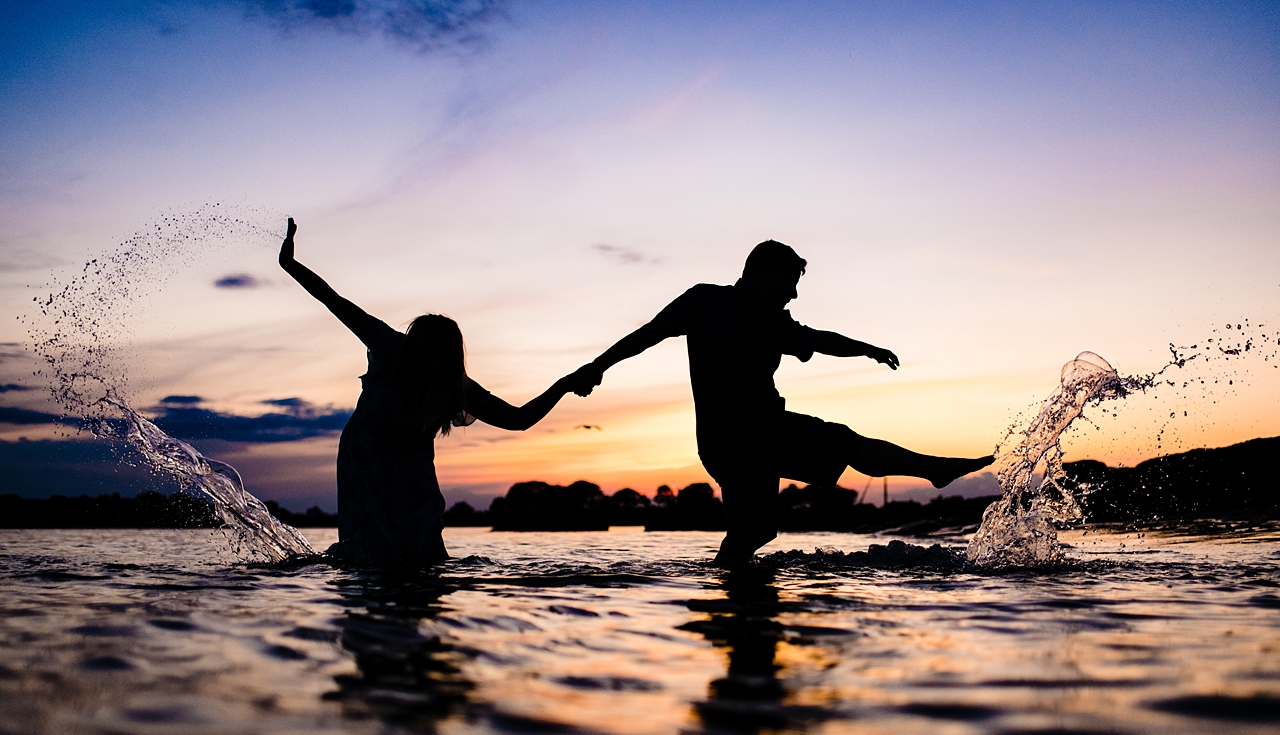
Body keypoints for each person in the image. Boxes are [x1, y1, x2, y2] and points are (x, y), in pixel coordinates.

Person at [572, 239, 993, 565]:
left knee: (845, 443)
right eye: (788, 284)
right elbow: (648, 333)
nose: (792, 295)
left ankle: (933, 469)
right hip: (729, 441)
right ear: (762, 275)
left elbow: (820, 340)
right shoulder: (705, 302)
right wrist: (597, 366)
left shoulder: (778, 323)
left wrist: (869, 349)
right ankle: (734, 603)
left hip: (774, 428)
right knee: (754, 532)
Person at [280, 218, 583, 567]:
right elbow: (334, 301)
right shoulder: (398, 350)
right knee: (380, 550)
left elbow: (517, 419)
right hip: (367, 462)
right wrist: (291, 265)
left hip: (395, 467)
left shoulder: (438, 375)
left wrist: (564, 385)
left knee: (409, 550)